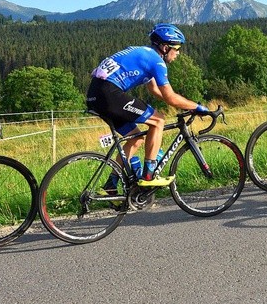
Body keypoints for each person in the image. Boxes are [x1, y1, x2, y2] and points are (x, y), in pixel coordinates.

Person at [87, 23, 208, 188]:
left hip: (96, 95)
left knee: (136, 139)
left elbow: (155, 91)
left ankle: (110, 186)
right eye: (177, 48)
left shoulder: (146, 54)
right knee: (158, 120)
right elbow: (170, 97)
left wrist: (185, 104)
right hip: (109, 94)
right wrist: (197, 107)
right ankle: (149, 176)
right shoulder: (156, 61)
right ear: (165, 48)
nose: (179, 53)